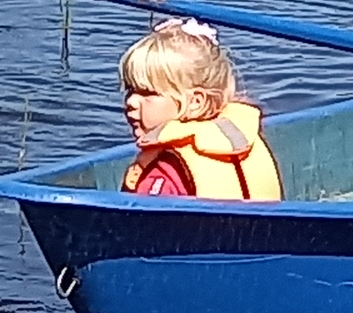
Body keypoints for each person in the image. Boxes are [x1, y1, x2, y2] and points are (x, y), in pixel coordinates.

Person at [119, 21, 283, 200]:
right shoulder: (244, 143)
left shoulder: (164, 174)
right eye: (130, 90)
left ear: (196, 102)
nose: (131, 101)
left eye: (147, 93)